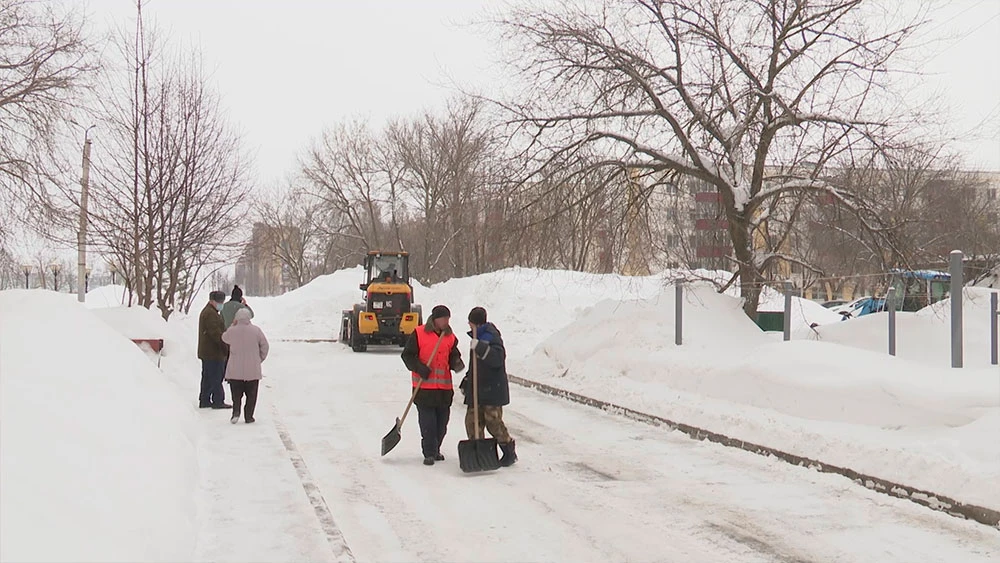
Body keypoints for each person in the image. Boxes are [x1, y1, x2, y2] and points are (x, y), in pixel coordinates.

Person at [400, 305, 465, 466]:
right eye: (443, 318)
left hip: (444, 389)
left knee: (442, 424)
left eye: (448, 319)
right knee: (428, 423)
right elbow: (407, 355)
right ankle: (429, 452)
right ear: (435, 319)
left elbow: (453, 354)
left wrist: (456, 362)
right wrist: (419, 367)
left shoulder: (450, 337)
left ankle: (436, 449)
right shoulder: (419, 333)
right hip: (424, 389)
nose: (446, 321)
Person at [461, 307, 516, 467]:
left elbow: (497, 359)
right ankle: (478, 453)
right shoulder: (477, 337)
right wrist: (468, 379)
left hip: (492, 389)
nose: (469, 326)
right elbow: (476, 365)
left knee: (493, 422)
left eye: (470, 323)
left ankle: (508, 450)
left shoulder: (492, 337)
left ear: (475, 323)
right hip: (477, 389)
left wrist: (480, 347)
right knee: (472, 422)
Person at [222, 308, 269, 424]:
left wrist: (232, 326)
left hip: (235, 370)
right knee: (251, 395)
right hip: (252, 370)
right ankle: (249, 416)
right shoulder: (256, 331)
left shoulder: (232, 331)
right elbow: (265, 346)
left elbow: (224, 338)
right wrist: (259, 359)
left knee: (236, 395)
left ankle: (236, 412)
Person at [198, 291, 231, 409]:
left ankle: (205, 399)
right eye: (219, 302)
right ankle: (218, 400)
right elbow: (216, 334)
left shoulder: (210, 312)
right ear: (212, 301)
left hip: (208, 352)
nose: (221, 304)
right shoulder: (210, 314)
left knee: (207, 377)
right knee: (216, 377)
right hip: (213, 352)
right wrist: (226, 346)